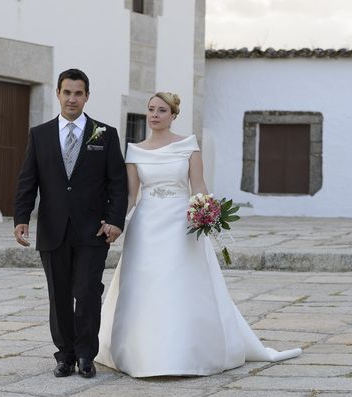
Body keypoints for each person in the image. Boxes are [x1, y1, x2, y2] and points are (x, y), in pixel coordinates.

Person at [96, 92, 301, 377]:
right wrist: (113, 220)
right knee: (145, 284)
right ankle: (142, 353)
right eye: (151, 110)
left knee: (180, 284)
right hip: (146, 225)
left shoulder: (188, 145)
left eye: (161, 110)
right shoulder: (135, 150)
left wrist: (207, 212)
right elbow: (131, 196)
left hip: (182, 225)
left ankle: (184, 351)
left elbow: (199, 185)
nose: (154, 115)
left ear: (173, 115)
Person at [14, 68, 128, 379]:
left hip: (92, 231)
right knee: (59, 294)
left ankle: (85, 355)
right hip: (53, 230)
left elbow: (117, 183)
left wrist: (115, 221)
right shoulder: (39, 135)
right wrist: (21, 218)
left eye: (79, 93)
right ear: (58, 94)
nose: (72, 98)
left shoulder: (104, 135)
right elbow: (28, 180)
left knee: (88, 292)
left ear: (87, 96)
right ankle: (64, 355)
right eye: (67, 92)